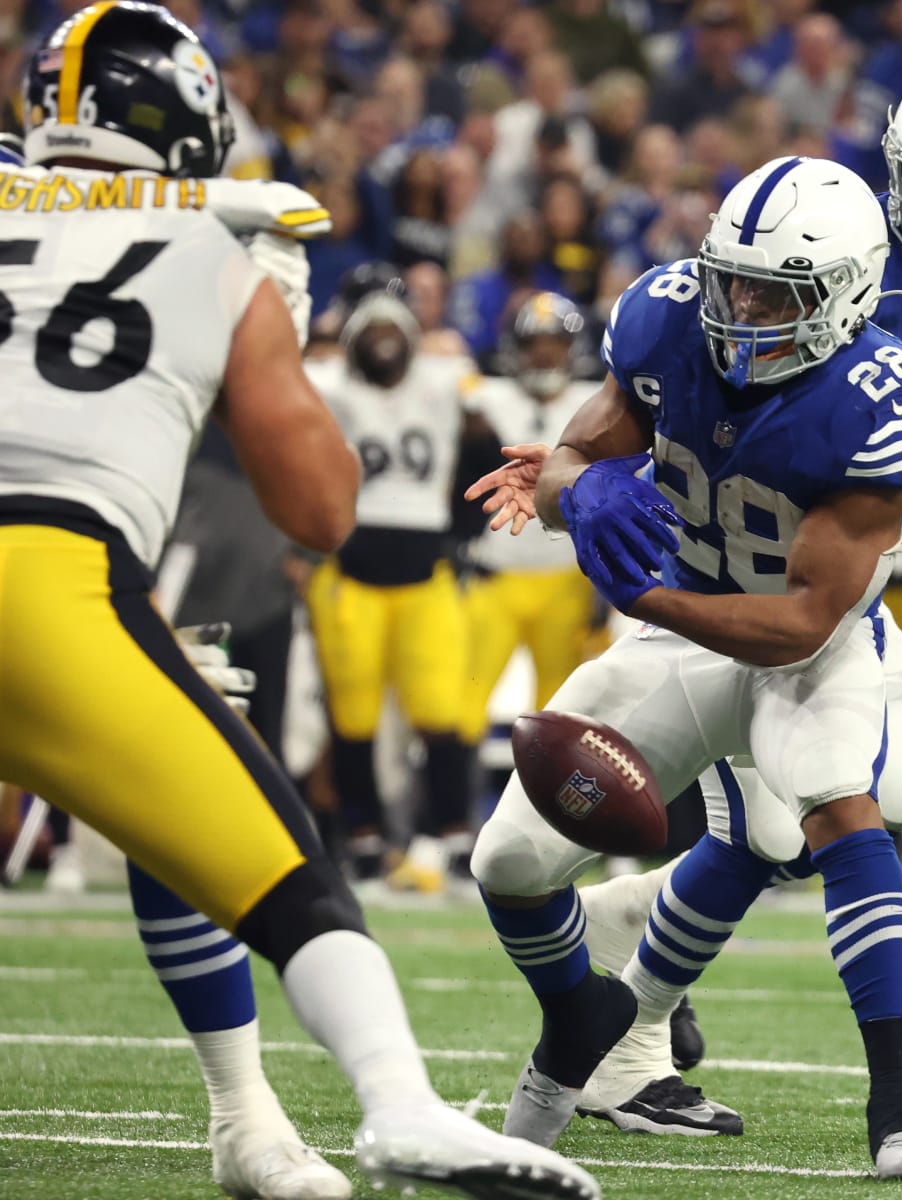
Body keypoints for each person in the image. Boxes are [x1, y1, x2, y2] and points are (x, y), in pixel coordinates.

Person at [0, 7, 600, 1200]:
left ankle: (249, 1121)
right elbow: (323, 508)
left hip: (59, 591)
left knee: (174, 770)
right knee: (293, 880)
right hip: (42, 584)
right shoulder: (217, 247)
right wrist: (263, 313)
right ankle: (399, 1102)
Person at [468, 56, 902, 1138]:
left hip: (829, 569)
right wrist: (590, 480)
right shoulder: (836, 281)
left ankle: (623, 965)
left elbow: (803, 453)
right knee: (791, 824)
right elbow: (711, 416)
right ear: (895, 174)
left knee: (815, 825)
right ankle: (630, 1031)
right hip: (733, 567)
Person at [303, 265, 485, 888]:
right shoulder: (327, 382)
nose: (384, 339)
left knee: (442, 712)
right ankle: (362, 836)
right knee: (352, 718)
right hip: (350, 571)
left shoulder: (447, 377)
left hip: (425, 569)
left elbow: (499, 417)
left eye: (394, 328)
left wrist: (469, 525)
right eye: (371, 329)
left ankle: (454, 834)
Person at [459, 293, 599, 759]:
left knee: (559, 713)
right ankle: (452, 814)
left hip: (567, 579)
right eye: (534, 342)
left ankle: (549, 822)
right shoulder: (486, 394)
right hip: (496, 574)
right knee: (462, 709)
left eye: (554, 342)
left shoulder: (597, 403)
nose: (544, 354)